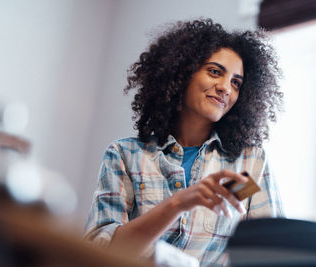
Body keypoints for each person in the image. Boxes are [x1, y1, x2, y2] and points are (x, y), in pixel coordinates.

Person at [84, 18, 284, 266]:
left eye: (236, 83)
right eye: (214, 71)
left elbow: (270, 251)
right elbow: (99, 253)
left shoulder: (248, 162)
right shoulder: (124, 155)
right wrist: (178, 203)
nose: (225, 88)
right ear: (181, 73)